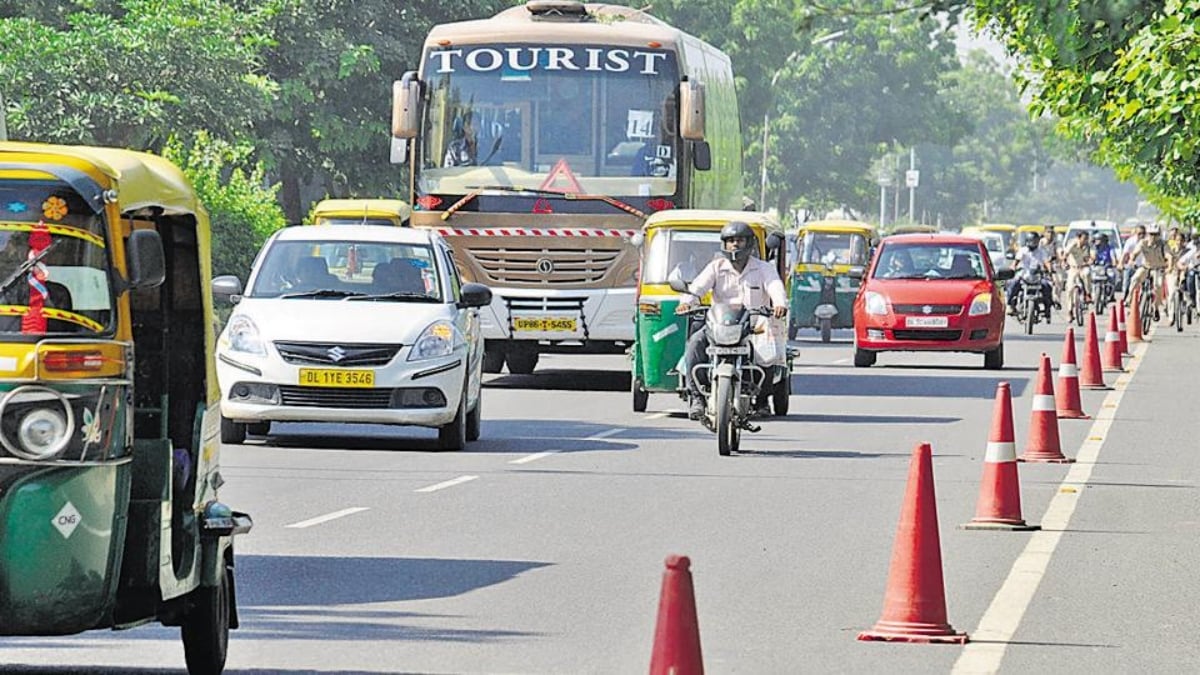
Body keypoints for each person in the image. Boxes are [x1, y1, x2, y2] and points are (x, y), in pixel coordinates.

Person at [676, 221, 787, 420]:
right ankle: (697, 399)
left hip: (753, 325)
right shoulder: (716, 267)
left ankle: (762, 400)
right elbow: (697, 288)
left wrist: (779, 303)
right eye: (730, 241)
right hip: (719, 324)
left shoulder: (763, 268)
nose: (735, 245)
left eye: (740, 240)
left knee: (768, 353)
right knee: (694, 345)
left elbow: (775, 286)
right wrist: (687, 302)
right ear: (724, 245)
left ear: (750, 243)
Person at [1007, 231, 1053, 317]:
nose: (1033, 243)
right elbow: (1016, 262)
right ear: (1028, 241)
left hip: (1037, 276)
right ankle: (1010, 305)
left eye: (1035, 241)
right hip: (1024, 275)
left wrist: (1049, 269)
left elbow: (1046, 262)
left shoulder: (1041, 251)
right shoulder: (1023, 250)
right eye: (1032, 241)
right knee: (1013, 283)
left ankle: (1047, 308)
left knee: (1047, 286)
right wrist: (1012, 267)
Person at [1128, 225, 1168, 320]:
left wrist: (1168, 265)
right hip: (1146, 267)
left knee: (1158, 285)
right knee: (1135, 278)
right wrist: (1132, 261)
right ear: (1148, 234)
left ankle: (1156, 307)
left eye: (1156, 234)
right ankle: (1129, 300)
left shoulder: (1163, 244)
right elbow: (1135, 253)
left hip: (1158, 268)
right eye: (1151, 234)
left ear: (1159, 235)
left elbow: (1168, 255)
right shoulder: (1143, 243)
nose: (1153, 237)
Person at [1060, 229, 1092, 316]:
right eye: (1084, 238)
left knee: (1087, 273)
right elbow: (1065, 255)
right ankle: (1070, 311)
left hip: (1082, 267)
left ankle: (1088, 294)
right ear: (1079, 238)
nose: (1086, 240)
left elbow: (1087, 257)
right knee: (1069, 288)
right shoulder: (1072, 244)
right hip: (1073, 268)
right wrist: (1064, 263)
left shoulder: (1087, 246)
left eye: (1087, 238)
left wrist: (1089, 261)